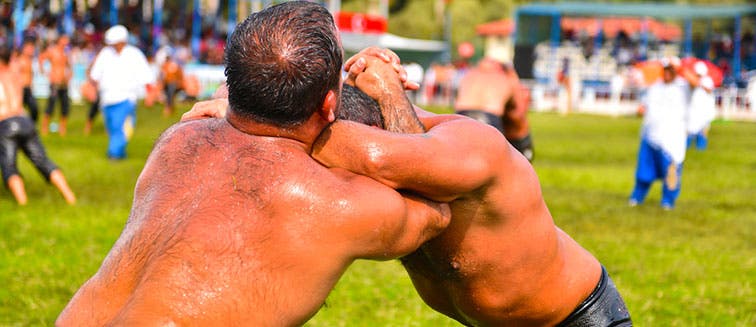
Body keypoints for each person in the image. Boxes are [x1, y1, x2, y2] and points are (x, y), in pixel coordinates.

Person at [56, 2, 449, 325]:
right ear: (329, 105)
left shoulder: (177, 140)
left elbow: (254, 130)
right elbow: (434, 207)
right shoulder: (330, 202)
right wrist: (389, 92)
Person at [186, 48, 632, 326]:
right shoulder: (392, 134)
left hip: (578, 317)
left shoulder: (474, 146)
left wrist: (248, 117)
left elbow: (401, 171)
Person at [0, 45, 76, 205]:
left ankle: (22, 202)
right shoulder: (16, 74)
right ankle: (69, 196)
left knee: (9, 166)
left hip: (6, 123)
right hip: (24, 120)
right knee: (43, 161)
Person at [629, 57, 701, 210]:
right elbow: (645, 106)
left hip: (672, 139)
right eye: (666, 69)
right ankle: (637, 197)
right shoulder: (655, 86)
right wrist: (641, 111)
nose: (667, 72)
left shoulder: (684, 87)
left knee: (671, 172)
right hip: (651, 136)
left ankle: (668, 201)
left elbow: (695, 83)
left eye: (670, 70)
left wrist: (680, 68)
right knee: (644, 172)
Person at [88, 25, 153, 160]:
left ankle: (113, 155)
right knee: (112, 128)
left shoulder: (134, 54)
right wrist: (91, 89)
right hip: (107, 99)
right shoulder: (105, 54)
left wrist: (150, 94)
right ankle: (120, 153)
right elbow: (95, 75)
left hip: (126, 98)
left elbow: (146, 75)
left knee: (120, 126)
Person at [454, 57, 534, 161]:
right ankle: (523, 159)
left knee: (461, 162)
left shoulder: (470, 75)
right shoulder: (506, 78)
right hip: (490, 117)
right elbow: (518, 113)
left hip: (461, 116)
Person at [38, 35, 71, 136]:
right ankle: (44, 126)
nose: (66, 42)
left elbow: (69, 66)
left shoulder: (65, 53)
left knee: (65, 106)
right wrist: (45, 72)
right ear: (60, 40)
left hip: (63, 84)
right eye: (64, 40)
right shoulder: (53, 51)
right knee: (51, 105)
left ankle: (62, 128)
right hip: (55, 83)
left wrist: (69, 75)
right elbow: (41, 58)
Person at [686, 61, 716, 150]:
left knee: (703, 130)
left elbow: (709, 90)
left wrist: (700, 83)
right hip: (693, 108)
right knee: (689, 129)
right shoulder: (691, 80)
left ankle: (701, 147)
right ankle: (687, 146)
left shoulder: (707, 80)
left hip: (704, 110)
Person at [13, 39, 40, 122]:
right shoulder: (18, 60)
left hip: (28, 89)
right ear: (24, 48)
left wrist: (31, 86)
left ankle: (29, 128)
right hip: (20, 89)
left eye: (33, 48)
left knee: (34, 109)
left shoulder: (30, 60)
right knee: (16, 111)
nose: (32, 50)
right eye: (30, 48)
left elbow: (30, 75)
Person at [159, 53, 184, 117]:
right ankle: (169, 107)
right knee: (168, 95)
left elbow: (179, 73)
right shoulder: (164, 65)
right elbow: (161, 75)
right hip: (166, 83)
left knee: (170, 95)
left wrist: (179, 81)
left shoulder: (173, 65)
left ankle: (169, 108)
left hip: (172, 83)